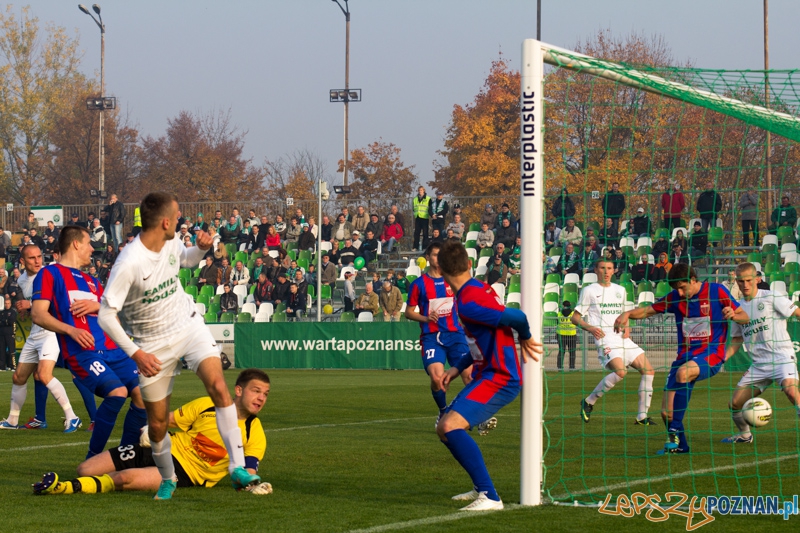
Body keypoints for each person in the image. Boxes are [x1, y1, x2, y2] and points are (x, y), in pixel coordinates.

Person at [97, 192, 260, 500]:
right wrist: (137, 353)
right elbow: (106, 315)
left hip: (187, 325)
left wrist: (199, 248)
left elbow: (185, 260)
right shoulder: (129, 262)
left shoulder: (171, 241)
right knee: (157, 425)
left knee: (219, 388)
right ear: (166, 222)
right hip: (152, 347)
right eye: (178, 213)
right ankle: (168, 478)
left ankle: (237, 468)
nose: (182, 217)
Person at [34, 369, 271, 497]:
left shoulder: (255, 433)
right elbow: (166, 419)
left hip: (186, 473)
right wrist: (151, 429)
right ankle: (76, 482)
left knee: (124, 479)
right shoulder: (207, 404)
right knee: (84, 469)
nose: (261, 398)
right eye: (256, 391)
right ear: (239, 390)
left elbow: (247, 470)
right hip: (162, 448)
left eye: (265, 394)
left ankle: (62, 488)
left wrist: (253, 485)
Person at [435, 240, 541, 511]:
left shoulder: (469, 302)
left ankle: (490, 496)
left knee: (449, 426)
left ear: (441, 271)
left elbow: (517, 317)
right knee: (443, 426)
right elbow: (480, 340)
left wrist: (526, 337)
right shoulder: (478, 288)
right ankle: (480, 486)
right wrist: (457, 368)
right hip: (488, 373)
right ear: (470, 264)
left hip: (501, 377)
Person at [30, 226, 147, 458]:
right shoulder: (50, 274)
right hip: (84, 352)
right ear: (75, 244)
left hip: (114, 350)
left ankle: (126, 455)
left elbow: (113, 314)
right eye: (88, 243)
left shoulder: (92, 281)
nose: (92, 249)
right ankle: (93, 457)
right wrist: (71, 331)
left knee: (144, 395)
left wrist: (98, 306)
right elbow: (38, 314)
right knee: (117, 392)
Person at [613, 263, 748, 454]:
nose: (681, 293)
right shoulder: (675, 297)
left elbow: (745, 315)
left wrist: (734, 314)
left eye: (683, 287)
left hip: (711, 355)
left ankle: (674, 431)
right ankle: (681, 446)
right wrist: (627, 313)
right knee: (665, 413)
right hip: (684, 357)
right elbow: (648, 310)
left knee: (684, 374)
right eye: (677, 289)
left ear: (693, 280)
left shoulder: (716, 291)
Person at [0, 244, 83, 432]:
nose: (37, 261)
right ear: (22, 261)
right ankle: (13, 420)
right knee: (18, 377)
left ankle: (72, 417)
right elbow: (36, 306)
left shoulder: (48, 273)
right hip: (35, 333)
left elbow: (56, 299)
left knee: (44, 375)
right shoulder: (22, 280)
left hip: (50, 332)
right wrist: (25, 311)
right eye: (32, 258)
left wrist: (29, 304)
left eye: (39, 256)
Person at [720, 263, 800, 444]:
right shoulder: (737, 308)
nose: (745, 285)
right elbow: (737, 340)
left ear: (757, 279)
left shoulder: (771, 296)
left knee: (791, 389)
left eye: (748, 280)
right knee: (734, 404)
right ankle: (745, 435)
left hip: (782, 358)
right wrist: (721, 359)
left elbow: (797, 312)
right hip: (758, 365)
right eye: (740, 281)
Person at [574, 258, 657, 425]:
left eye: (609, 268)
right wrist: (589, 328)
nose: (606, 272)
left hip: (622, 339)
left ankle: (641, 416)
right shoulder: (589, 290)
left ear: (614, 271)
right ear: (596, 270)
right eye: (602, 268)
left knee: (649, 371)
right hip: (605, 340)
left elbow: (624, 313)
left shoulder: (620, 290)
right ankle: (589, 401)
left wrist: (627, 325)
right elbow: (575, 318)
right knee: (621, 372)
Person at [556, 300, 577, 371]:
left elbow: (557, 323)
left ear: (563, 305)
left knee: (561, 351)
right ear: (570, 305)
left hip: (561, 335)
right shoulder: (573, 314)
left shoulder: (559, 314)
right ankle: (572, 367)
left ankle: (559, 367)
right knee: (572, 352)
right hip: (572, 335)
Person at [413, 186, 431, 251]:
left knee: (425, 233)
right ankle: (415, 247)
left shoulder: (428, 198)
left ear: (424, 191)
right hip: (418, 217)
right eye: (419, 190)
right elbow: (414, 208)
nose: (420, 191)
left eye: (421, 190)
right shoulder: (415, 199)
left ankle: (424, 247)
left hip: (425, 217)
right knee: (416, 233)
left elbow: (430, 208)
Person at [0, 297, 16, 371]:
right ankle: (2, 367)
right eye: (5, 303)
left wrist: (4, 321)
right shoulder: (2, 312)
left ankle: (12, 366)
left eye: (8, 303)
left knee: (11, 350)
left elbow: (10, 321)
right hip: (2, 334)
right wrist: (5, 321)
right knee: (2, 350)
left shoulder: (13, 312)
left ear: (11, 304)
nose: (7, 305)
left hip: (10, 334)